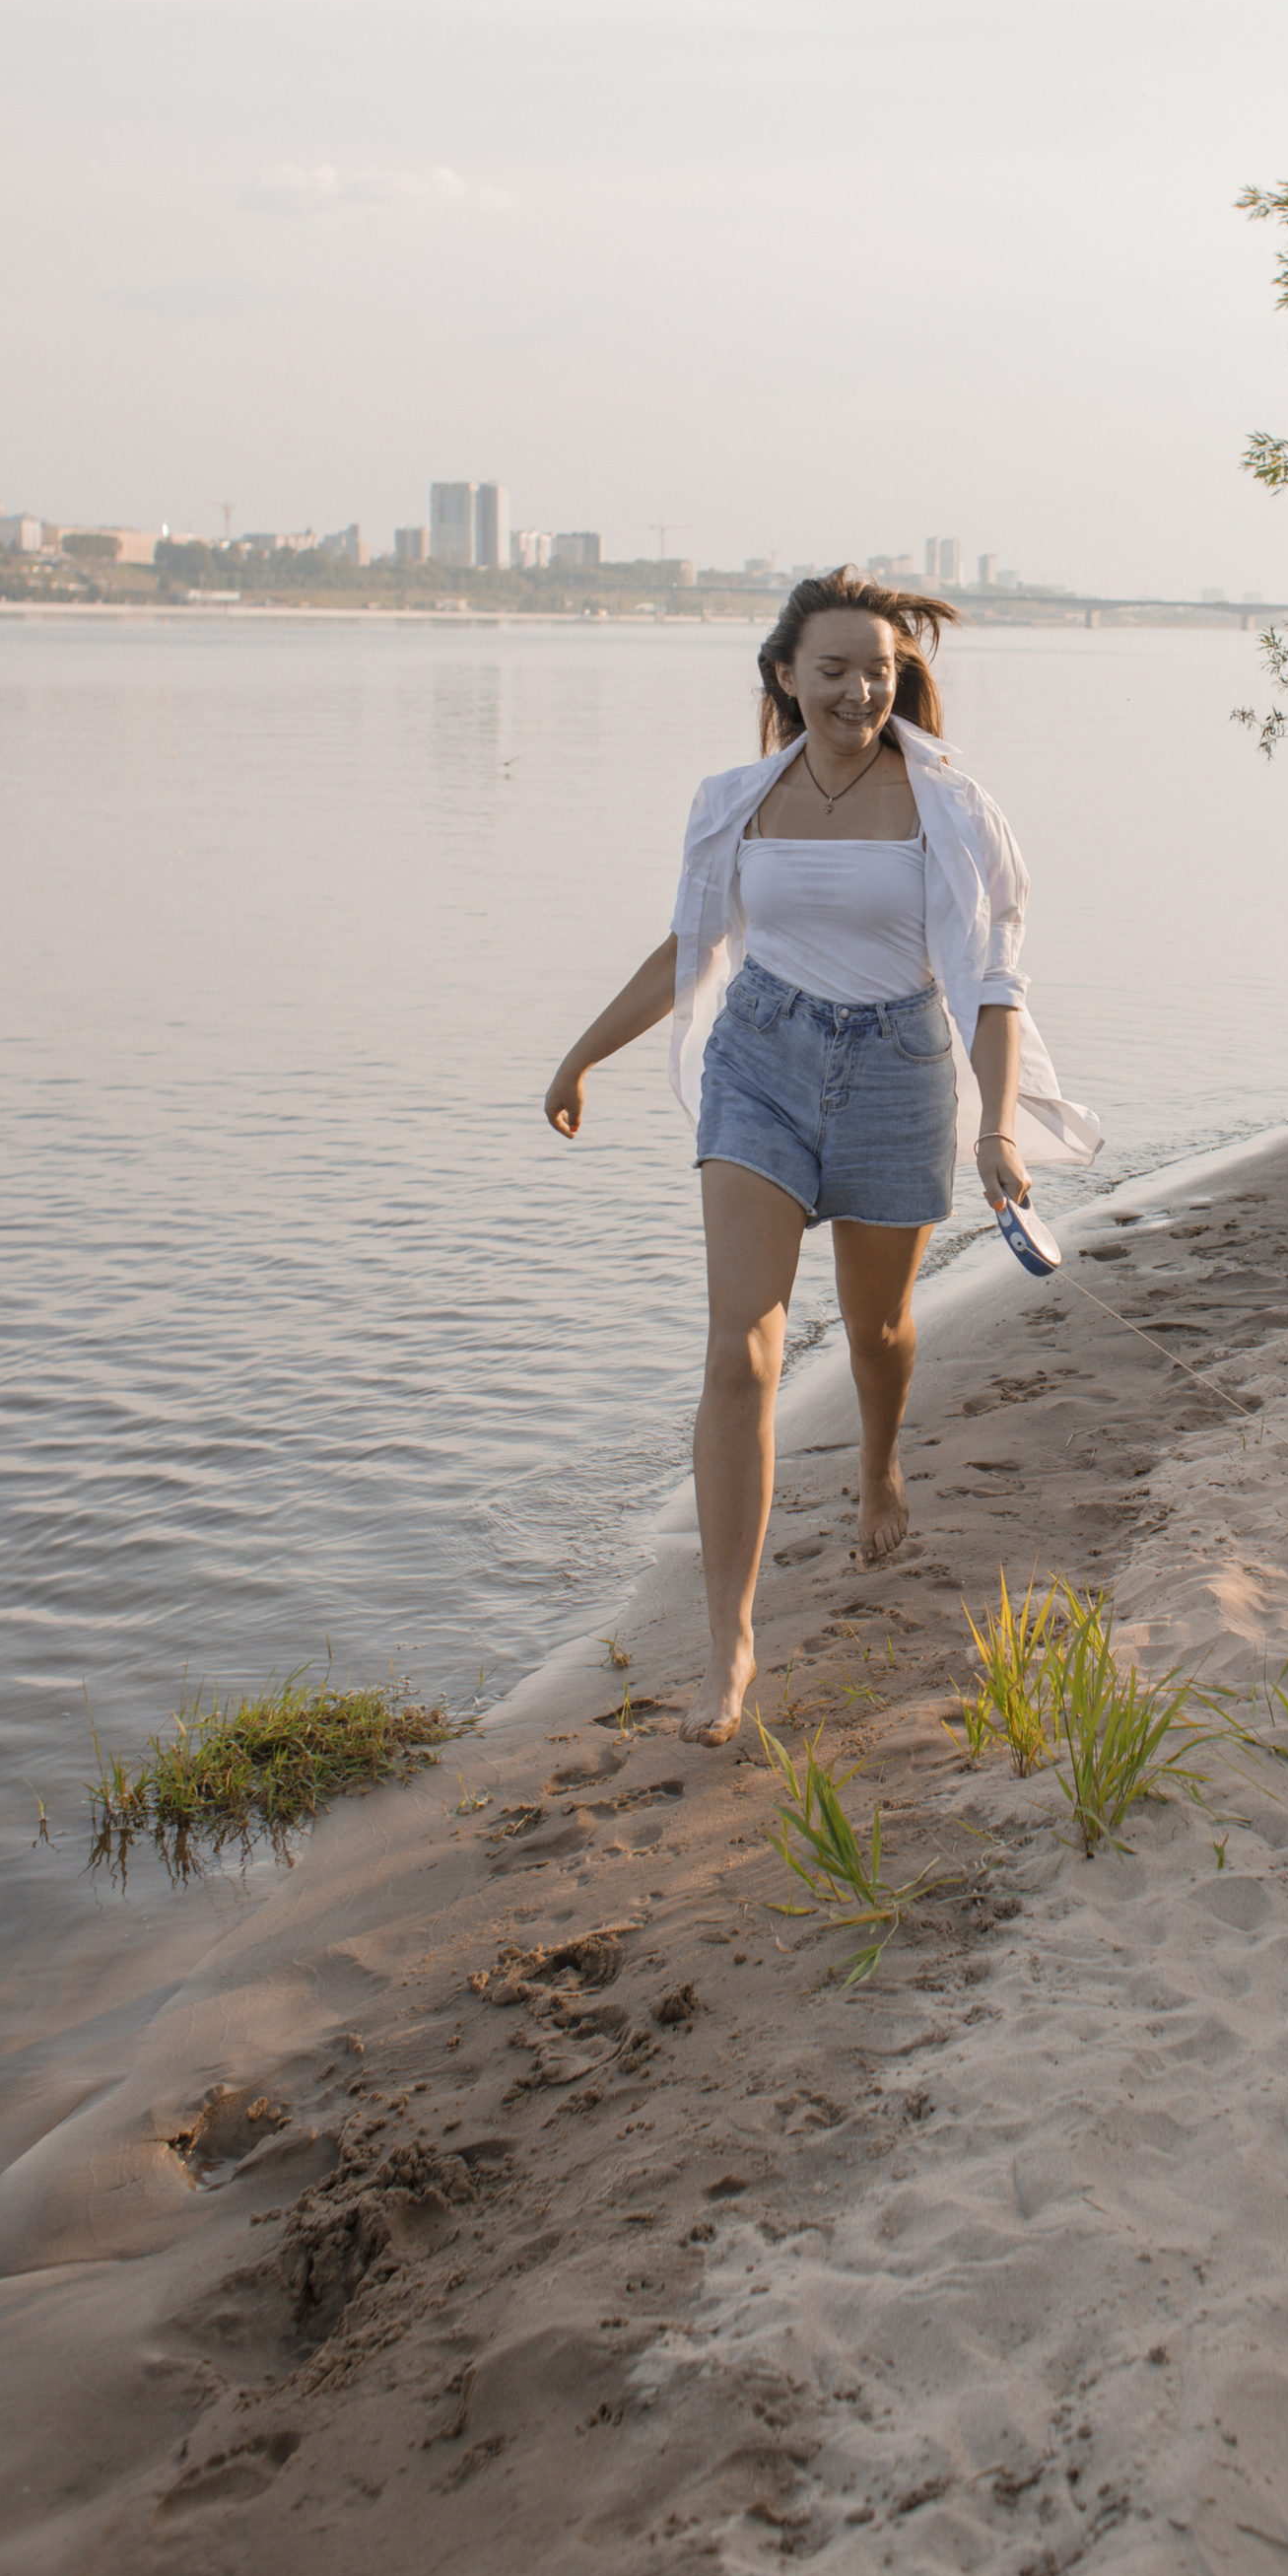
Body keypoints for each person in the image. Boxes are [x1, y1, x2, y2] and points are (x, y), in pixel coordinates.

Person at [543, 568, 1099, 1742]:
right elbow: (691, 946)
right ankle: (730, 1643)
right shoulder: (736, 802)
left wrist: (997, 1127)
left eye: (879, 669)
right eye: (833, 668)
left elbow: (993, 988)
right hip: (761, 1063)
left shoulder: (951, 807)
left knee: (878, 1331)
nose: (858, 688)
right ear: (784, 677)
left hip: (898, 1070)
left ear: (902, 681)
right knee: (739, 1350)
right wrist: (580, 1055)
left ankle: (881, 1464)